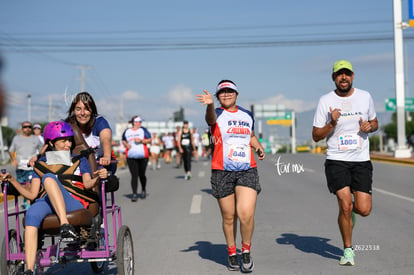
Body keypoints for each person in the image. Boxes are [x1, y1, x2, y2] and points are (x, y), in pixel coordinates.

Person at [1, 121, 108, 275]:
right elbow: (31, 194)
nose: (68, 144)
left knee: (49, 178)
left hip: (73, 202)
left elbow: (88, 183)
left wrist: (98, 177)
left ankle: (65, 225)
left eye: (69, 140)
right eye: (63, 140)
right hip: (47, 202)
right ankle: (30, 270)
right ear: (51, 143)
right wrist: (12, 180)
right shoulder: (41, 163)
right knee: (31, 214)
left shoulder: (79, 160)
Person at [312, 60, 378, 266]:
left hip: (361, 160)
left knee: (364, 209)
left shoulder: (365, 97)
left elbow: (375, 122)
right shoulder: (325, 101)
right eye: (339, 74)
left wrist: (370, 126)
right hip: (336, 160)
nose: (344, 77)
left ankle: (349, 212)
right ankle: (348, 250)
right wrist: (331, 122)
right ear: (333, 78)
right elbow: (316, 136)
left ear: (352, 76)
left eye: (347, 74)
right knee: (345, 205)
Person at [196, 80, 265, 272]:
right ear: (218, 97)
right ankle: (232, 251)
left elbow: (249, 135)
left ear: (236, 93)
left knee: (245, 213)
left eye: (230, 91)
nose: (226, 94)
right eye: (222, 92)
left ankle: (246, 251)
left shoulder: (247, 115)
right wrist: (210, 104)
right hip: (222, 171)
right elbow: (210, 120)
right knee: (229, 217)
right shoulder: (216, 114)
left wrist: (257, 146)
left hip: (247, 169)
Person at [65, 91, 116, 174]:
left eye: (86, 109)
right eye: (78, 109)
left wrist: (106, 156)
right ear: (73, 111)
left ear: (92, 110)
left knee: (111, 182)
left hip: (100, 163)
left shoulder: (99, 122)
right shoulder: (68, 125)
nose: (82, 113)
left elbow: (106, 138)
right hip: (78, 165)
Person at [9, 121, 44, 209]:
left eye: (29, 127)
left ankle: (29, 204)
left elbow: (42, 150)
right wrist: (13, 160)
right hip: (20, 166)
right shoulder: (16, 138)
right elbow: (11, 150)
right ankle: (27, 202)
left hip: (31, 167)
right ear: (22, 129)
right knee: (22, 186)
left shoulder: (35, 139)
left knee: (30, 185)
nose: (27, 128)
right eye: (25, 127)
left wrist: (38, 158)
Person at [122, 116, 151, 202]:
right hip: (131, 156)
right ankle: (134, 194)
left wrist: (142, 141)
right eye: (138, 122)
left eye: (140, 122)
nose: (139, 123)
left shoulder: (143, 130)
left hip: (143, 156)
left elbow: (149, 139)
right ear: (133, 122)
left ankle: (143, 190)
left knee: (141, 175)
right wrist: (126, 145)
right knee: (134, 175)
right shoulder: (127, 131)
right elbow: (123, 140)